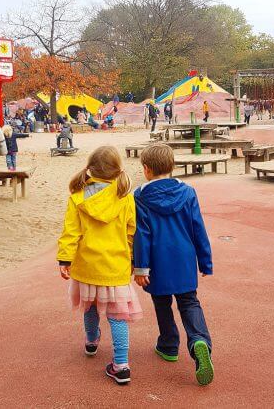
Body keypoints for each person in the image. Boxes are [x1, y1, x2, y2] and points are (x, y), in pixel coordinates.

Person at [57, 146, 142, 385]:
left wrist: (65, 259)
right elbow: (131, 231)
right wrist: (133, 259)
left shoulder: (77, 197)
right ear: (117, 171)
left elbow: (70, 233)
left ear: (90, 169)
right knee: (118, 316)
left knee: (90, 307)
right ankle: (121, 365)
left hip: (87, 266)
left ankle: (92, 341)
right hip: (115, 266)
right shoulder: (125, 198)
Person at [133, 144, 214, 386]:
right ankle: (199, 340)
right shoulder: (188, 193)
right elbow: (198, 228)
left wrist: (140, 267)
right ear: (173, 167)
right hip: (184, 258)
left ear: (146, 170)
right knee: (189, 301)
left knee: (162, 302)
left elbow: (142, 234)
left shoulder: (140, 196)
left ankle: (168, 345)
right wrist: (205, 261)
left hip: (157, 261)